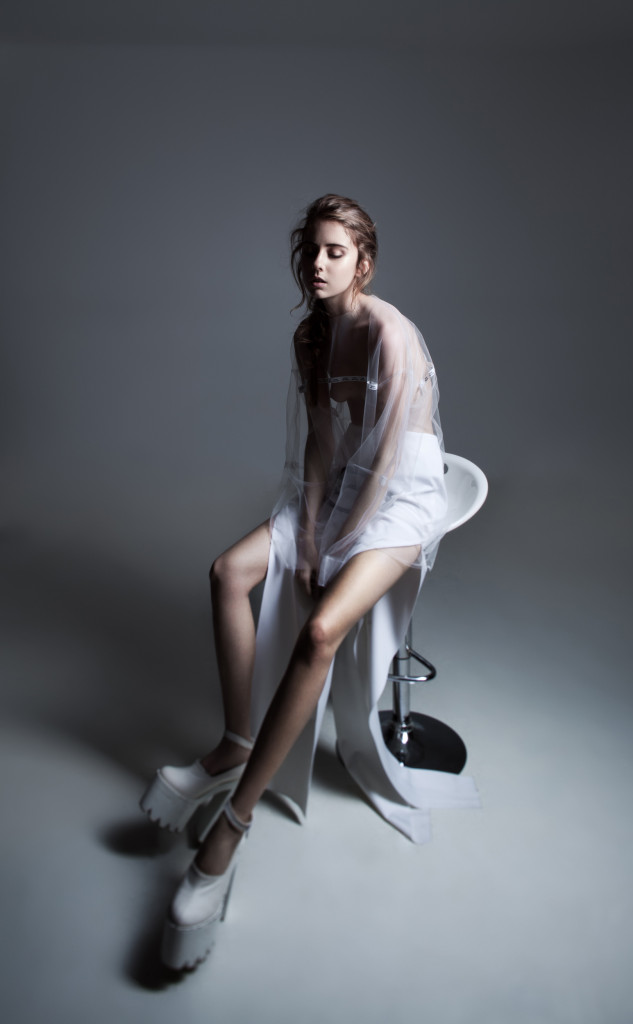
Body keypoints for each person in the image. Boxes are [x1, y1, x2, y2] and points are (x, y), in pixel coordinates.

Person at [140, 194, 475, 971]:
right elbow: (324, 443)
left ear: (365, 261)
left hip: (404, 498)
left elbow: (390, 457)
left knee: (322, 628)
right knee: (230, 572)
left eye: (334, 252)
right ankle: (233, 743)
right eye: (311, 253)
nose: (318, 266)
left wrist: (340, 547)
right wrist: (314, 526)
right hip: (348, 489)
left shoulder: (388, 333)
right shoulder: (310, 335)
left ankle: (234, 827)